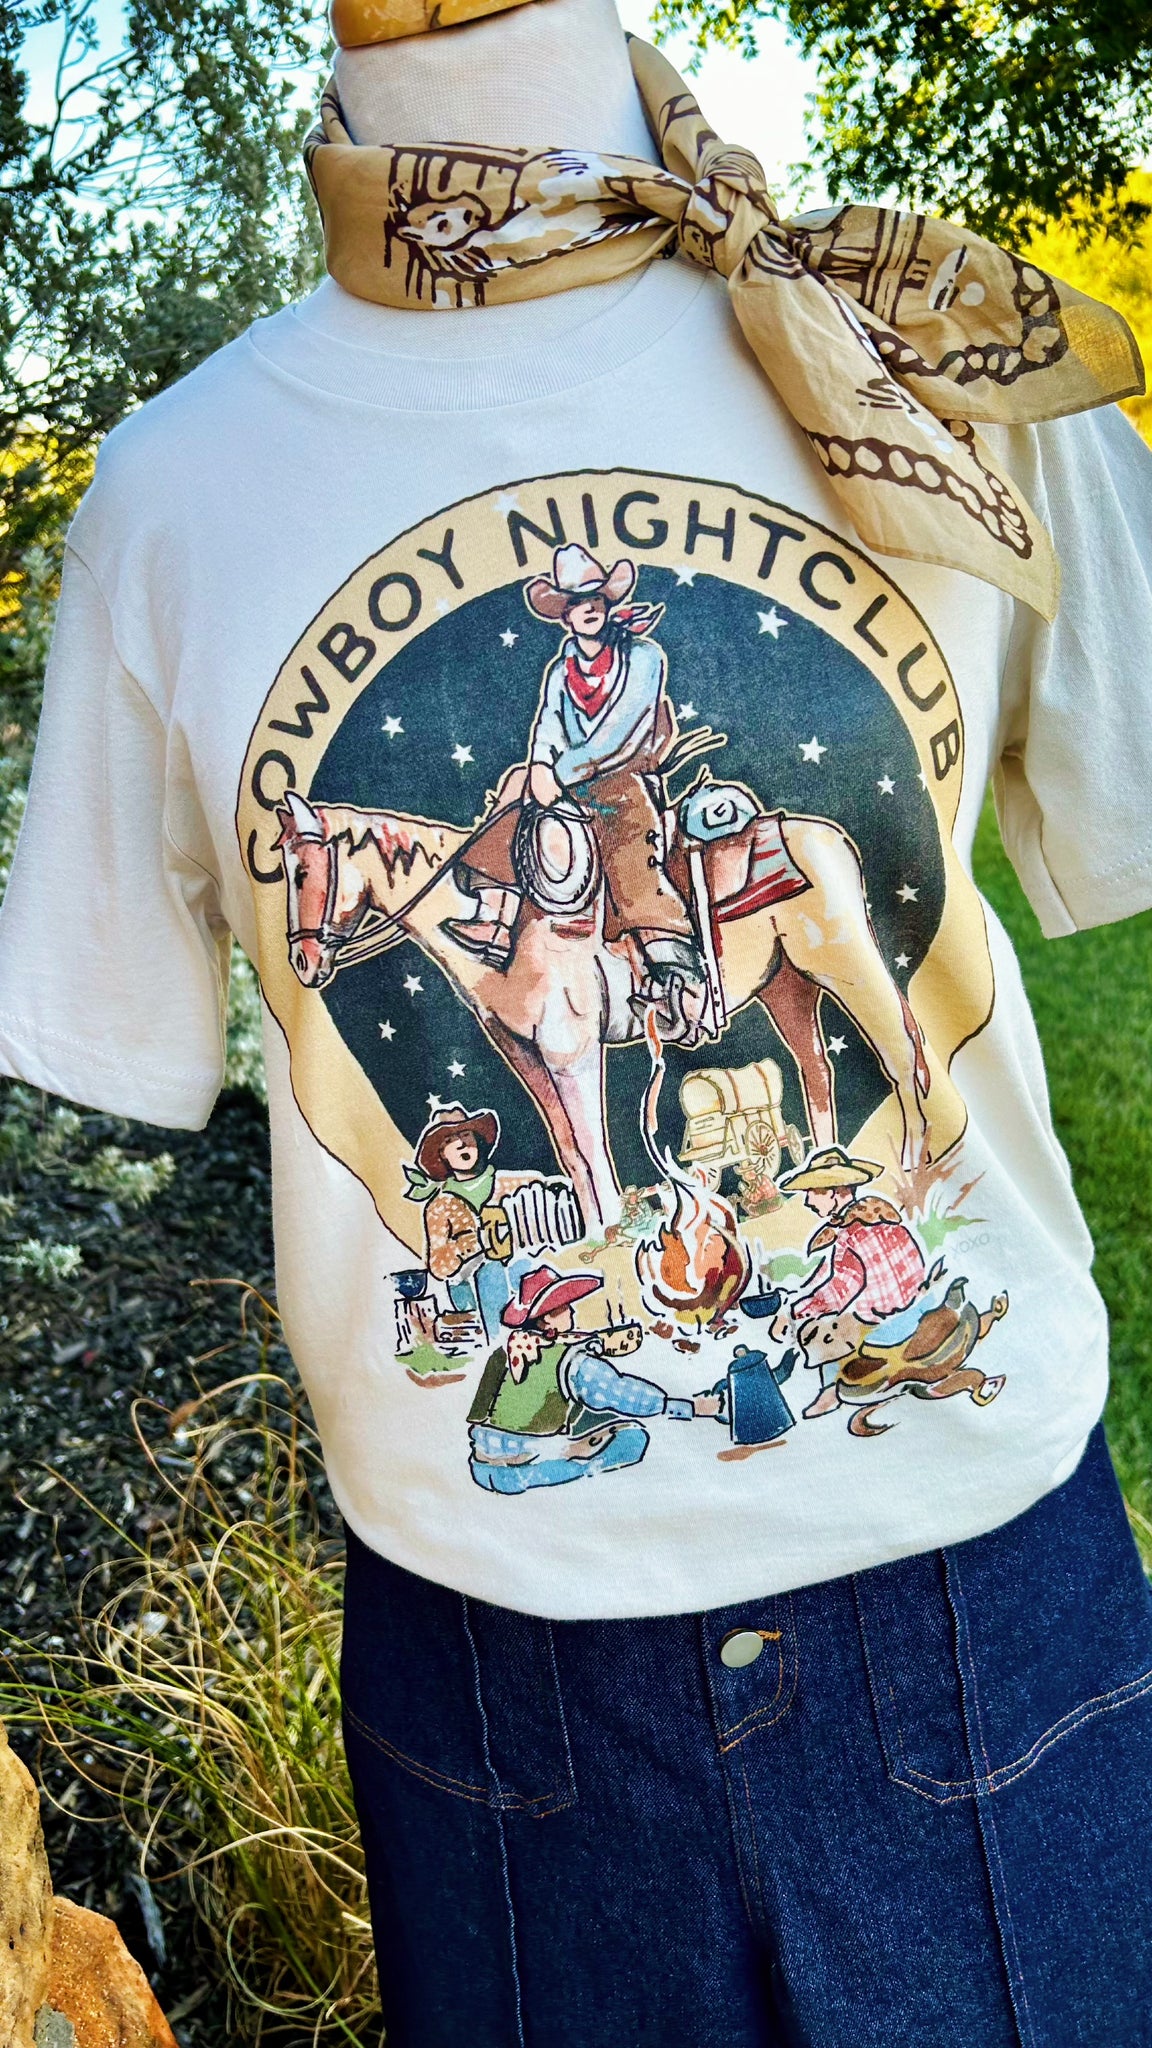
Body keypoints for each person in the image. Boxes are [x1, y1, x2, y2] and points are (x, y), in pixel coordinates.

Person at [3, 0, 1152, 2039]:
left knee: (666, 853)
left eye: (600, 611)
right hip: (493, 1658)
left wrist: (599, 776)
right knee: (542, 859)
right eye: (583, 613)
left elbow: (650, 735)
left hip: (979, 1587)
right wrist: (523, 798)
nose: (592, 619)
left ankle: (735, 1028)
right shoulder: (174, 498)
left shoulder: (933, 341)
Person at [449, 542, 708, 1038]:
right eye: (574, 602)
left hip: (621, 777)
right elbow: (548, 723)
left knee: (628, 847)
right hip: (568, 781)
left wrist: (559, 772)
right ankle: (495, 915)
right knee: (514, 785)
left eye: (593, 598)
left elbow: (620, 732)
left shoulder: (643, 657)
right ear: (564, 614)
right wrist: (539, 765)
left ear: (606, 603)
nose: (586, 608)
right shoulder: (560, 670)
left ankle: (675, 974)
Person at [467, 1261, 720, 1490]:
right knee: (632, 1436)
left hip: (481, 1466)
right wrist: (688, 1407)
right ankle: (583, 1468)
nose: (572, 1312)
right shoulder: (573, 1361)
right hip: (526, 1470)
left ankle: (572, 1452)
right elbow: (621, 1393)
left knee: (588, 1416)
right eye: (565, 1307)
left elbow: (479, 1413)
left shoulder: (503, 1353)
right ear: (548, 1319)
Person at [770, 1145, 928, 1418]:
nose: (808, 1201)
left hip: (882, 1318)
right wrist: (799, 1295)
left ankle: (832, 1393)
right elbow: (829, 1271)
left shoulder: (850, 1233)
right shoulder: (878, 1217)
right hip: (917, 1297)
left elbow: (840, 1289)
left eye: (812, 1192)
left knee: (825, 1337)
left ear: (834, 1191)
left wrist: (796, 1312)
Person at [403, 1102, 511, 1339]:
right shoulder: (440, 1206)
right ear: (442, 1155)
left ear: (478, 1142)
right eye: (451, 1141)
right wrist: (470, 1244)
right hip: (467, 1289)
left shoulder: (510, 1185)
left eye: (466, 1135)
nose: (461, 1143)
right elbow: (438, 1267)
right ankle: (497, 1345)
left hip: (515, 1281)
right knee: (489, 1272)